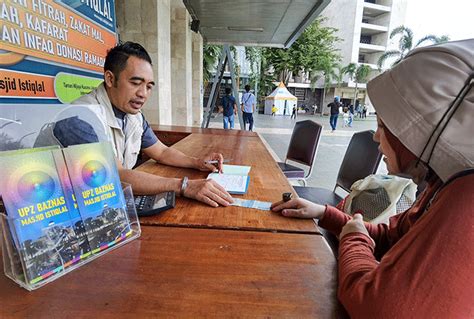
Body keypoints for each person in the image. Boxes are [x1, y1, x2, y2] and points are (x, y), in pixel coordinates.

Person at [271, 40, 474, 317]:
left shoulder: (465, 197)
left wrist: (354, 239)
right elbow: (391, 235)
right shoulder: (440, 186)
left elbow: (379, 306)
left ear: (416, 133)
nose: (377, 137)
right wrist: (324, 213)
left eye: (382, 126)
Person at [72, 42, 233, 208]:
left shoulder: (134, 116)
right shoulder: (82, 117)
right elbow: (115, 177)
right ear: (110, 79)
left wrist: (197, 162)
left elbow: (161, 151)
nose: (143, 94)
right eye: (135, 83)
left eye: (149, 86)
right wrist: (184, 185)